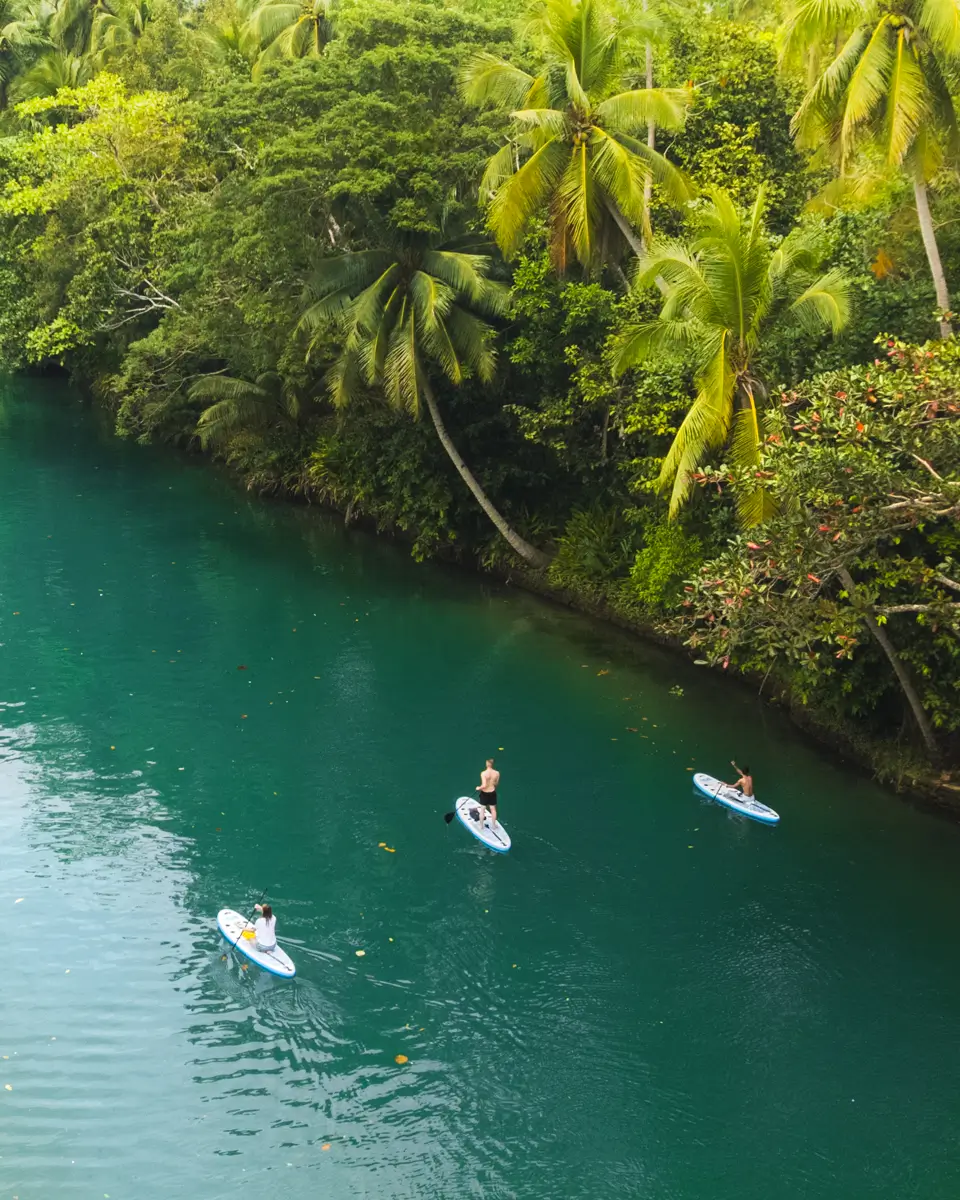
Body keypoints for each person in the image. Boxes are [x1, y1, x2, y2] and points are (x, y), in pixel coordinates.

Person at [475, 757, 501, 827]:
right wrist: (492, 782)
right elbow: (496, 784)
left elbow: (484, 785)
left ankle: (481, 826)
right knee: (493, 810)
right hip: (492, 792)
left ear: (487, 764)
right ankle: (493, 825)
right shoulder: (497, 773)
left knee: (483, 809)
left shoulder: (483, 773)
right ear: (492, 764)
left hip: (484, 794)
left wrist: (478, 788)